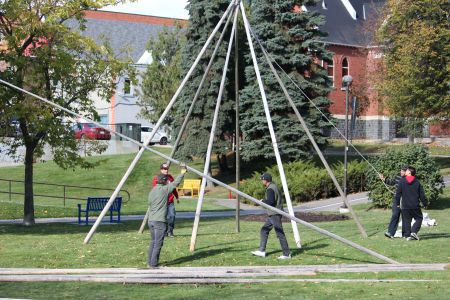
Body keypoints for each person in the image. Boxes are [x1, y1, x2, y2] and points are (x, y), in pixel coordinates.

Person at [147, 164, 187, 268]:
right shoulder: (164, 190)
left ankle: (150, 262)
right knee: (158, 243)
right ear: (164, 181)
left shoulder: (152, 191)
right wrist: (182, 173)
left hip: (150, 221)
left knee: (153, 241)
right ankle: (154, 264)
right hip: (159, 222)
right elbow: (175, 183)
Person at [251, 173, 291, 259]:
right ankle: (261, 251)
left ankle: (287, 254)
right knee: (264, 230)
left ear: (266, 180)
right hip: (273, 214)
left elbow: (271, 202)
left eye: (262, 179)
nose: (262, 181)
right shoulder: (273, 186)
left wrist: (262, 201)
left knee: (280, 233)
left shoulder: (270, 189)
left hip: (274, 214)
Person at [394, 166, 428, 241]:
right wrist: (425, 203)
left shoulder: (402, 181)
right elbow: (422, 195)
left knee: (407, 221)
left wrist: (397, 203)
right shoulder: (417, 182)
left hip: (405, 206)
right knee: (419, 218)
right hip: (415, 205)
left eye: (407, 170)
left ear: (410, 172)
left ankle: (408, 235)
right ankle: (413, 231)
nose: (405, 171)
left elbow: (398, 194)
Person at [152, 163, 179, 237]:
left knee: (172, 216)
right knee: (163, 217)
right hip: (162, 202)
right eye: (164, 169)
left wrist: (177, 196)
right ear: (161, 170)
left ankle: (170, 231)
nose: (166, 170)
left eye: (167, 169)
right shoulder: (157, 178)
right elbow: (156, 189)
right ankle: (164, 232)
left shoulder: (170, 177)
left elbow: (173, 188)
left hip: (170, 201)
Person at [379, 166, 407, 238]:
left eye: (403, 171)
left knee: (405, 217)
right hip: (397, 200)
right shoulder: (398, 177)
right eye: (401, 170)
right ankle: (390, 233)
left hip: (405, 200)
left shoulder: (409, 179)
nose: (401, 172)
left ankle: (405, 234)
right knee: (395, 215)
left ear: (407, 172)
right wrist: (383, 179)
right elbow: (391, 182)